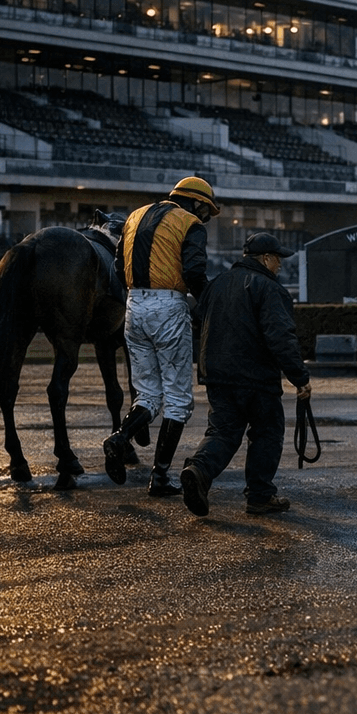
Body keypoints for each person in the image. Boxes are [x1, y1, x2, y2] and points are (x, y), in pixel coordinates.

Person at [102, 175, 220, 494]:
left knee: (149, 395)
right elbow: (194, 272)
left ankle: (120, 437)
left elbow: (116, 269)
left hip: (133, 306)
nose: (204, 217)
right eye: (205, 210)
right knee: (179, 400)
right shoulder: (189, 222)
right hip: (168, 307)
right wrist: (210, 304)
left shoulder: (135, 216)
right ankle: (160, 477)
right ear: (195, 202)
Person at [180, 232, 312, 517]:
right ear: (265, 259)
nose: (279, 265)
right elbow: (280, 337)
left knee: (223, 432)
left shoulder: (216, 286)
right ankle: (260, 496)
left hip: (216, 374)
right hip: (256, 377)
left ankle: (198, 470)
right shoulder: (270, 289)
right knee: (267, 432)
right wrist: (299, 378)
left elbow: (198, 323)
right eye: (277, 259)